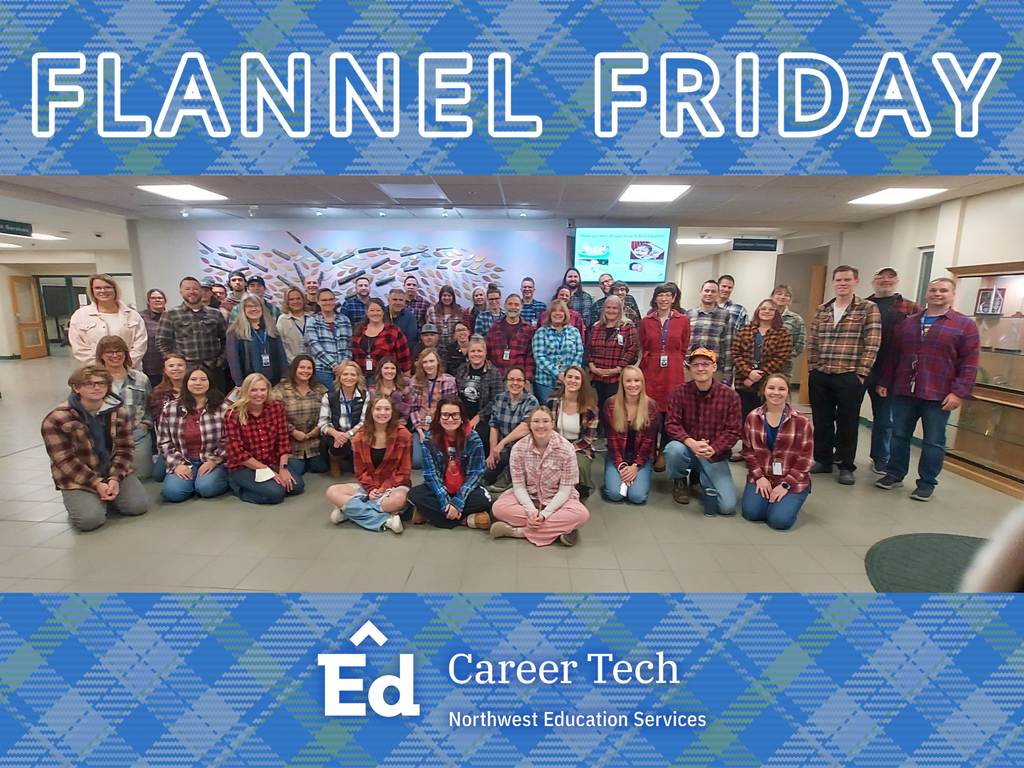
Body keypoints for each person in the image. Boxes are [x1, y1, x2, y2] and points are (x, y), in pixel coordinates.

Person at [876, 277, 980, 501]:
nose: (937, 294)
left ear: (952, 295)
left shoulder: (964, 325)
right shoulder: (910, 323)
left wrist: (959, 391)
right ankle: (894, 473)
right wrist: (885, 381)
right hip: (905, 390)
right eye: (933, 290)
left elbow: (970, 362)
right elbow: (895, 355)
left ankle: (926, 483)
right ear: (927, 294)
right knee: (899, 435)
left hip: (939, 393)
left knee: (933, 441)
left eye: (943, 290)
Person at [41, 365, 148, 531]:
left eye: (102, 383)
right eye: (89, 384)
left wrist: (115, 478)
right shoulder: (57, 419)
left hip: (112, 470)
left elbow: (125, 448)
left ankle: (106, 495)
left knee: (138, 507)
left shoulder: (119, 413)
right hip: (77, 476)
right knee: (90, 521)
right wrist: (96, 483)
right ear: (76, 387)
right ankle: (86, 499)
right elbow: (64, 460)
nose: (97, 387)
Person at [806, 265, 882, 485]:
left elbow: (873, 342)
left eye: (847, 280)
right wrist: (813, 368)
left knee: (848, 422)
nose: (842, 284)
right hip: (822, 373)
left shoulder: (867, 308)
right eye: (838, 280)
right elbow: (814, 341)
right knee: (821, 421)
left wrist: (861, 373)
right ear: (833, 283)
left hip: (849, 374)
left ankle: (846, 466)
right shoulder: (823, 309)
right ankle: (823, 460)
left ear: (856, 281)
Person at [490, 406, 590, 546]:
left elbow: (564, 490)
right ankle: (558, 529)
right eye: (536, 421)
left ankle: (518, 532)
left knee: (581, 515)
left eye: (545, 421)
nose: (541, 426)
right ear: (530, 425)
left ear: (552, 423)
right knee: (498, 508)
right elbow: (519, 487)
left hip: (557, 498)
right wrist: (531, 511)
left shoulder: (567, 449)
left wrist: (545, 514)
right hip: (529, 496)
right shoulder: (518, 448)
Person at [663, 348, 743, 515]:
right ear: (690, 368)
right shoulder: (678, 392)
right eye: (696, 364)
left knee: (727, 507)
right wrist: (691, 443)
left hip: (714, 454)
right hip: (688, 449)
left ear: (714, 367)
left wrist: (713, 448)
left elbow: (733, 431)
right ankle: (679, 480)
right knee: (673, 450)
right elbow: (672, 424)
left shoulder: (730, 396)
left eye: (705, 364)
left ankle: (700, 475)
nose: (700, 368)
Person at [326, 393, 411, 534]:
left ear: (392, 412)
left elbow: (404, 471)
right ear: (371, 411)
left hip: (395, 485)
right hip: (368, 485)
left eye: (386, 409)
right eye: (378, 409)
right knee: (332, 492)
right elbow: (359, 471)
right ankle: (385, 520)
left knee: (398, 500)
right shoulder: (360, 436)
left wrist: (382, 489)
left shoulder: (403, 435)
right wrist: (371, 489)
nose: (382, 413)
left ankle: (350, 511)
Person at [865, 267, 922, 475]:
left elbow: (914, 342)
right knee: (847, 415)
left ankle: (880, 457)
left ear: (897, 281)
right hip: (859, 368)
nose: (885, 281)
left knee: (883, 419)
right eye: (880, 278)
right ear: (873, 282)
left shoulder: (910, 308)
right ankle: (842, 455)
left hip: (889, 372)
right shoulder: (862, 306)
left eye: (890, 278)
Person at [741, 374, 814, 530]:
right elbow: (748, 451)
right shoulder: (753, 417)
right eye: (771, 388)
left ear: (788, 392)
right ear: (763, 391)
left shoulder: (801, 421)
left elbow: (806, 459)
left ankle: (788, 499)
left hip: (792, 478)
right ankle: (771, 501)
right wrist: (759, 477)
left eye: (781, 389)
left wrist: (786, 484)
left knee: (779, 521)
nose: (776, 393)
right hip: (763, 476)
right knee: (751, 513)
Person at [407, 397, 493, 530]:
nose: (450, 419)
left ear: (462, 417)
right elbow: (431, 475)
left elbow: (476, 474)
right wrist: (444, 501)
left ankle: (431, 515)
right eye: (445, 415)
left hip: (466, 489)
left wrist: (458, 500)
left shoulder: (473, 439)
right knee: (414, 494)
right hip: (441, 488)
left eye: (455, 415)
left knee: (484, 500)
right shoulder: (429, 439)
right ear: (439, 417)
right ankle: (465, 520)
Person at [224, 373, 305, 504]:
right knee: (276, 494)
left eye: (263, 390)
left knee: (296, 487)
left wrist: (283, 469)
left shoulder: (276, 407)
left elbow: (283, 440)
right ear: (246, 391)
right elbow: (238, 453)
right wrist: (270, 473)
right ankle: (237, 487)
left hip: (271, 461)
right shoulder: (233, 414)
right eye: (254, 390)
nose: (259, 394)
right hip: (245, 466)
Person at [157, 366, 230, 502]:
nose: (198, 383)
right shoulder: (171, 408)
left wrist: (214, 460)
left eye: (203, 379)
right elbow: (164, 441)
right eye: (193, 379)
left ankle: (205, 481)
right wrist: (177, 464)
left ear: (210, 383)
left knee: (206, 488)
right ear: (186, 383)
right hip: (184, 459)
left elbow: (229, 439)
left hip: (212, 460)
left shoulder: (222, 408)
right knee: (173, 493)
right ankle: (191, 481)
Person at [638, 282, 690, 472]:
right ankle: (649, 449)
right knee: (650, 412)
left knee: (670, 412)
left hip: (673, 371)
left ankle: (662, 451)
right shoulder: (646, 320)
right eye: (660, 295)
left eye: (668, 295)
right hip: (651, 369)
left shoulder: (683, 320)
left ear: (674, 298)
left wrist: (673, 358)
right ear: (655, 297)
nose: (664, 299)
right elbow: (644, 345)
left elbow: (683, 347)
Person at [95, 335, 153, 474]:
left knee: (142, 475)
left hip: (136, 434)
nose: (115, 355)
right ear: (101, 355)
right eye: (109, 352)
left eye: (119, 351)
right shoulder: (94, 380)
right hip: (104, 436)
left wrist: (144, 425)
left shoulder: (140, 378)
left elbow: (149, 405)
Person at [602, 366, 659, 504]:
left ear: (642, 383)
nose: (633, 385)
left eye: (636, 380)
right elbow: (611, 440)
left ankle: (633, 479)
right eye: (628, 381)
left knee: (637, 497)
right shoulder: (611, 404)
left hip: (640, 459)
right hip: (617, 456)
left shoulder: (651, 406)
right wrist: (621, 466)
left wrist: (635, 467)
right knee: (615, 494)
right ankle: (616, 479)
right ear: (622, 383)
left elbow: (648, 442)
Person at [156, 276, 228, 380]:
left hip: (212, 370)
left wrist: (221, 359)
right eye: (187, 289)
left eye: (195, 289)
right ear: (181, 293)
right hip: (185, 371)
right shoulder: (171, 314)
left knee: (216, 396)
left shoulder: (215, 314)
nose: (192, 292)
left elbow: (226, 339)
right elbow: (162, 341)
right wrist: (174, 362)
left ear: (201, 292)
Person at [68, 274, 148, 368]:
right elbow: (79, 347)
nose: (103, 291)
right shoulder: (80, 316)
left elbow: (140, 345)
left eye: (107, 287)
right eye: (98, 288)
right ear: (92, 290)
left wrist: (124, 365)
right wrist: (100, 367)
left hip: (129, 371)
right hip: (95, 373)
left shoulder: (133, 316)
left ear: (115, 289)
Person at [732, 299, 794, 418]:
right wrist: (748, 373)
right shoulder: (745, 330)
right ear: (758, 311)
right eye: (763, 308)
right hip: (744, 382)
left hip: (769, 384)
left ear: (776, 313)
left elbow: (781, 359)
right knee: (743, 417)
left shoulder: (783, 333)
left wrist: (758, 376)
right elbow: (736, 353)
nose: (767, 311)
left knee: (765, 417)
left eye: (771, 309)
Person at [547, 365, 600, 499]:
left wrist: (568, 450)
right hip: (554, 443)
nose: (573, 381)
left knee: (578, 466)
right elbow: (547, 430)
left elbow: (589, 438)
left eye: (577, 378)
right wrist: (556, 447)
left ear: (582, 383)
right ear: (564, 380)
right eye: (569, 377)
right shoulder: (552, 402)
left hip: (580, 446)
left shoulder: (590, 408)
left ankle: (579, 491)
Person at [272, 354, 330, 476]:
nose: (305, 371)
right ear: (294, 369)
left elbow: (329, 413)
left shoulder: (321, 389)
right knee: (297, 471)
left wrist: (319, 428)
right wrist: (293, 431)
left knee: (321, 467)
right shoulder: (280, 391)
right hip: (292, 445)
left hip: (315, 443)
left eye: (309, 368)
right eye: (302, 367)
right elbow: (275, 418)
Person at [484, 366, 539, 489]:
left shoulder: (531, 401)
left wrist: (502, 443)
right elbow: (494, 426)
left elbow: (525, 427)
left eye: (519, 380)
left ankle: (509, 476)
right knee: (487, 474)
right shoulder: (499, 399)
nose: (515, 383)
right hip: (503, 447)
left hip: (521, 447)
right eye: (511, 379)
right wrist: (493, 451)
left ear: (524, 383)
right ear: (506, 382)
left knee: (514, 452)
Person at [585, 295, 639, 413]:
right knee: (601, 405)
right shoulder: (596, 327)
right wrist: (592, 368)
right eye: (608, 307)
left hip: (618, 377)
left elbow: (632, 350)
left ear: (620, 310)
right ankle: (601, 430)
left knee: (615, 408)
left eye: (615, 308)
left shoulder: (628, 326)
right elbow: (588, 349)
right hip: (598, 375)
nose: (611, 311)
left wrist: (618, 369)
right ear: (603, 309)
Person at [318, 360, 369, 477]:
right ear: (339, 377)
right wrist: (337, 434)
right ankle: (334, 462)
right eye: (345, 374)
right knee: (339, 445)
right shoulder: (329, 396)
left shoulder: (365, 395)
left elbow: (364, 421)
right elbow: (323, 423)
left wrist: (349, 434)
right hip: (336, 436)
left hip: (357, 434)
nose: (349, 378)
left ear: (358, 377)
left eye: (353, 375)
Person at [409, 348, 458, 469]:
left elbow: (450, 409)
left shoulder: (449, 381)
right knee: (417, 463)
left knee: (441, 458)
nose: (429, 365)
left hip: (441, 426)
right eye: (425, 362)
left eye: (431, 361)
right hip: (421, 427)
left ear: (438, 362)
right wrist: (420, 431)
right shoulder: (415, 381)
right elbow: (413, 408)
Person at [226, 294, 288, 387]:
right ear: (243, 309)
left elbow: (281, 354)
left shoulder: (271, 328)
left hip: (274, 380)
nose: (253, 309)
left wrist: (284, 376)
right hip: (248, 384)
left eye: (256, 306)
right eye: (249, 306)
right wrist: (239, 384)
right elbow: (233, 361)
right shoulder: (235, 332)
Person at [455, 337, 504, 448]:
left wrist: (479, 416)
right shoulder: (462, 370)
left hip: (485, 417)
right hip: (462, 414)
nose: (476, 354)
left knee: (479, 435)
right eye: (473, 351)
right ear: (468, 353)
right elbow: (456, 395)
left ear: (485, 353)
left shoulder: (494, 373)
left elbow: (496, 400)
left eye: (479, 351)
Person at [532, 299, 584, 402]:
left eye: (561, 310)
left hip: (570, 383)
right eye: (554, 310)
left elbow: (579, 354)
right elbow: (540, 357)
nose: (557, 313)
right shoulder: (541, 332)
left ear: (565, 314)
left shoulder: (574, 332)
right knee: (548, 414)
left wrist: (568, 376)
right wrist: (558, 374)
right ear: (549, 314)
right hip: (545, 383)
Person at [685, 280, 735, 384]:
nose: (709, 294)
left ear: (717, 294)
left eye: (713, 291)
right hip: (689, 368)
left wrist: (727, 372)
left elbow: (728, 346)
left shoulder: (725, 315)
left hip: (714, 369)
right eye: (706, 291)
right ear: (700, 293)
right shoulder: (689, 314)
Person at [149, 352, 187, 481]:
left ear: (186, 368)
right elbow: (157, 420)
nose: (176, 368)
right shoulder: (158, 391)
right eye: (171, 366)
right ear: (165, 370)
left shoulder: (196, 387)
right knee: (158, 475)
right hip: (172, 442)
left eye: (180, 365)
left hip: (196, 439)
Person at [307, 287, 354, 390]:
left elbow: (349, 345)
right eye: (324, 300)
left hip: (344, 370)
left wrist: (343, 365)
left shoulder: (344, 320)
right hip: (323, 370)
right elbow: (315, 346)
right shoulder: (312, 321)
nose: (327, 302)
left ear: (334, 300)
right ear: (318, 302)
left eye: (330, 299)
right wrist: (333, 365)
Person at [351, 297, 412, 375]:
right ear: (367, 312)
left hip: (384, 377)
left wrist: (406, 376)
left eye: (378, 310)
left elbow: (404, 357)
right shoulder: (358, 330)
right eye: (372, 310)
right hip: (359, 377)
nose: (375, 313)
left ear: (383, 312)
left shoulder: (394, 331)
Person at [486, 294, 536, 382]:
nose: (513, 307)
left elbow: (530, 357)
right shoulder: (494, 328)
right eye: (510, 304)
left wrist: (527, 379)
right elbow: (487, 353)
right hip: (497, 377)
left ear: (521, 307)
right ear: (504, 305)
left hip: (519, 378)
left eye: (516, 304)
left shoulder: (528, 330)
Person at [368, 356, 415, 427]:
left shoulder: (405, 391)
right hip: (376, 426)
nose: (389, 371)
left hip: (399, 426)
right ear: (380, 370)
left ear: (397, 371)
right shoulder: (372, 391)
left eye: (392, 368)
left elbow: (405, 415)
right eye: (386, 368)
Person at [770, 284, 806, 376]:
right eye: (779, 293)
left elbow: (799, 345)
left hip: (784, 368)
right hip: (761, 365)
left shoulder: (796, 319)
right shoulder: (763, 315)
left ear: (790, 299)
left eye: (787, 295)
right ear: (772, 296)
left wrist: (783, 356)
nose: (782, 297)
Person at [277, 287, 314, 363]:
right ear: (287, 302)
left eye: (298, 298)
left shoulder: (313, 317)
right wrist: (295, 362)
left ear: (303, 299)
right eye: (291, 299)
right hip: (292, 364)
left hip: (314, 364)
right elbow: (281, 345)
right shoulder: (282, 320)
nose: (295, 302)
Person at [140, 288, 167, 386]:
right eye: (153, 298)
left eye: (160, 298)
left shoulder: (171, 316)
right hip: (149, 367)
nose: (157, 300)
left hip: (169, 366)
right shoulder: (140, 317)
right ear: (148, 301)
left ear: (165, 300)